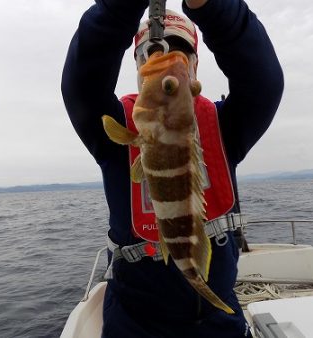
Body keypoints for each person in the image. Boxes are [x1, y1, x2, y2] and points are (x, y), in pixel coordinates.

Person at [61, 0, 284, 337]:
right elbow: (83, 84)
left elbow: (263, 81)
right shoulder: (114, 131)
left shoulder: (224, 128)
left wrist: (211, 6)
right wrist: (119, 8)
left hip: (220, 324)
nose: (166, 59)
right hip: (135, 326)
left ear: (194, 68)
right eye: (150, 52)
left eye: (181, 50)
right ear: (137, 70)